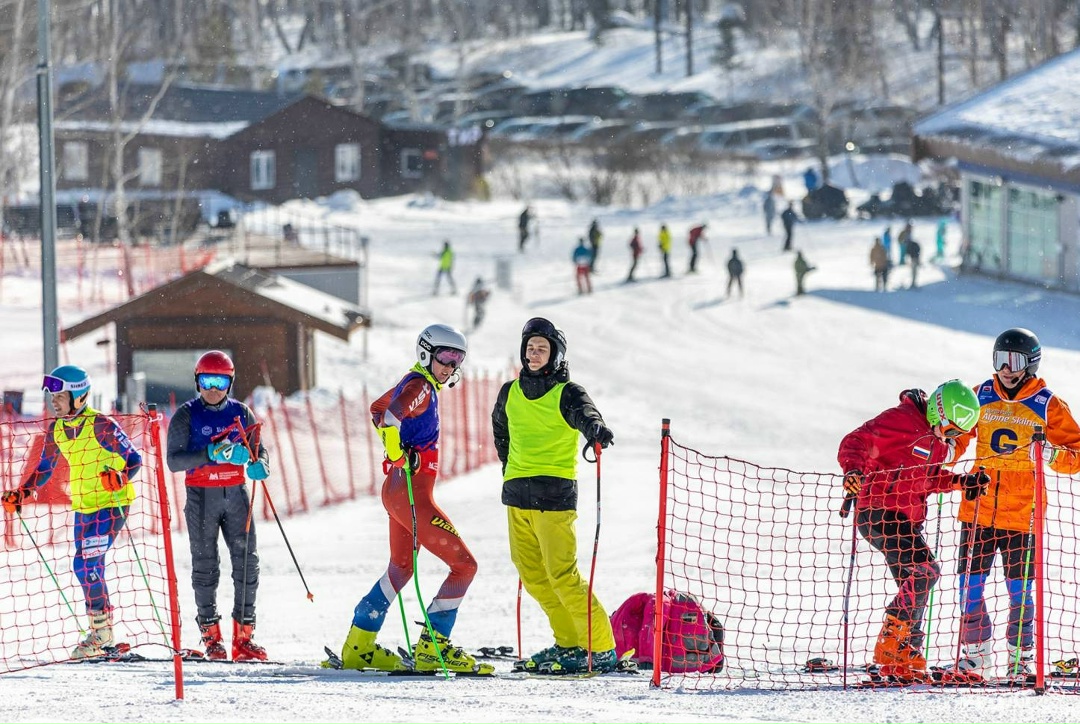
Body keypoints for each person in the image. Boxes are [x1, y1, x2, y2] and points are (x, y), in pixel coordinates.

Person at [338, 324, 492, 675]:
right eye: (445, 357)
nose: (450, 366)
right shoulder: (421, 385)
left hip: (397, 492)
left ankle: (358, 646)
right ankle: (433, 647)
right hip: (410, 492)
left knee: (402, 568)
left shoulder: (418, 382)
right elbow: (390, 419)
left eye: (457, 360)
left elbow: (378, 409)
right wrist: (398, 453)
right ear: (426, 352)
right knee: (465, 565)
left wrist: (399, 452)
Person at [947, 329, 1080, 680]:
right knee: (968, 584)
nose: (1006, 369)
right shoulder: (981, 395)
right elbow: (958, 434)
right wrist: (946, 452)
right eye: (1000, 360)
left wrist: (1051, 454)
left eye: (1015, 361)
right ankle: (975, 655)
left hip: (1024, 511)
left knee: (1020, 589)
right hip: (978, 505)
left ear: (1031, 363)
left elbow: (1077, 454)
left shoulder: (1047, 403)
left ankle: (1020, 658)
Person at [491, 317, 617, 674]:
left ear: (555, 354)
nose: (533, 354)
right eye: (530, 348)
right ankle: (569, 642)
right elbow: (501, 432)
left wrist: (595, 430)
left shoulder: (568, 392)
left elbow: (586, 415)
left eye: (541, 349)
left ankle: (601, 646)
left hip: (554, 495)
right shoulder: (509, 392)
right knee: (532, 574)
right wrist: (509, 466)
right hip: (517, 492)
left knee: (562, 574)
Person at [838, 381, 987, 681]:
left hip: (905, 521)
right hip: (879, 510)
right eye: (952, 430)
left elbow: (929, 479)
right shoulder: (901, 420)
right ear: (939, 413)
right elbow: (855, 441)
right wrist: (853, 471)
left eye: (957, 435)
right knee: (925, 570)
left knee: (914, 583)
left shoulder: (936, 443)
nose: (952, 438)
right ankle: (891, 644)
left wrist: (961, 483)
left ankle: (904, 653)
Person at [3, 366, 142, 659]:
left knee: (87, 563)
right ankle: (101, 632)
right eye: (52, 395)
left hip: (112, 503)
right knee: (82, 564)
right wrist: (23, 492)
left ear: (79, 396)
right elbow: (44, 467)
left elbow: (134, 458)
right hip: (83, 506)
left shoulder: (100, 424)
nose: (54, 401)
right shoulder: (57, 429)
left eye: (60, 395)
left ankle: (101, 633)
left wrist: (120, 476)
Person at [166, 351, 271, 662]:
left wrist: (260, 464)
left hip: (236, 496)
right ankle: (212, 636)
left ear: (230, 382)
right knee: (206, 567)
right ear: (197, 382)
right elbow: (174, 460)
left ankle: (244, 638)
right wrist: (211, 452)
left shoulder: (242, 413)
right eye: (207, 381)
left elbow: (259, 449)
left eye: (220, 381)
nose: (213, 388)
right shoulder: (186, 415)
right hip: (202, 496)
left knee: (247, 565)